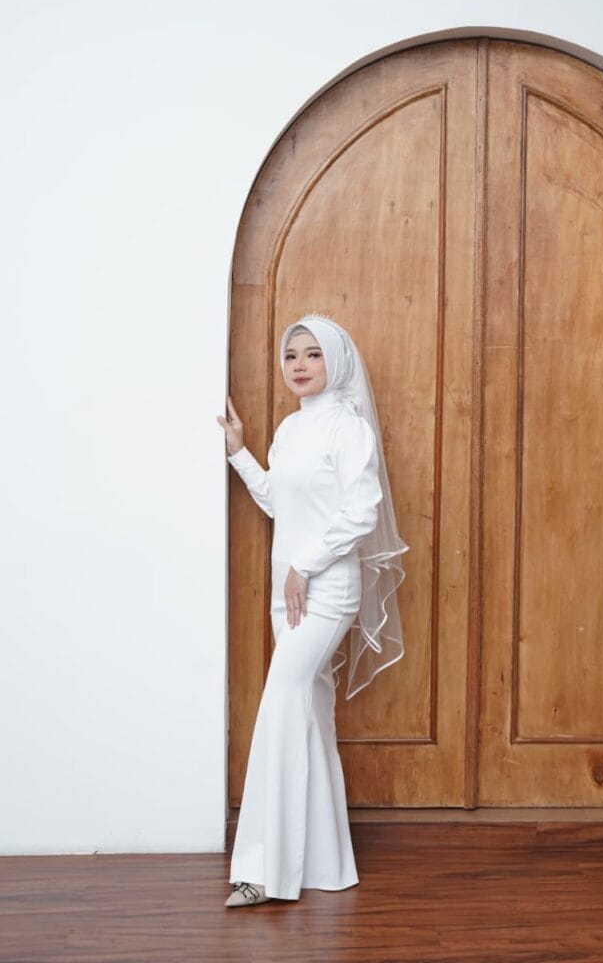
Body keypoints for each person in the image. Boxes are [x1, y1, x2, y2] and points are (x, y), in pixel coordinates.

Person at [216, 313, 408, 907]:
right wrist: (240, 453)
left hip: (326, 589)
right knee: (311, 714)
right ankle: (326, 863)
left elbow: (363, 511)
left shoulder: (349, 429)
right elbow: (278, 500)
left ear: (336, 361)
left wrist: (305, 564)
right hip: (289, 591)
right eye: (291, 355)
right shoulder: (290, 429)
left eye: (312, 354)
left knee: (280, 705)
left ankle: (262, 870)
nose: (299, 364)